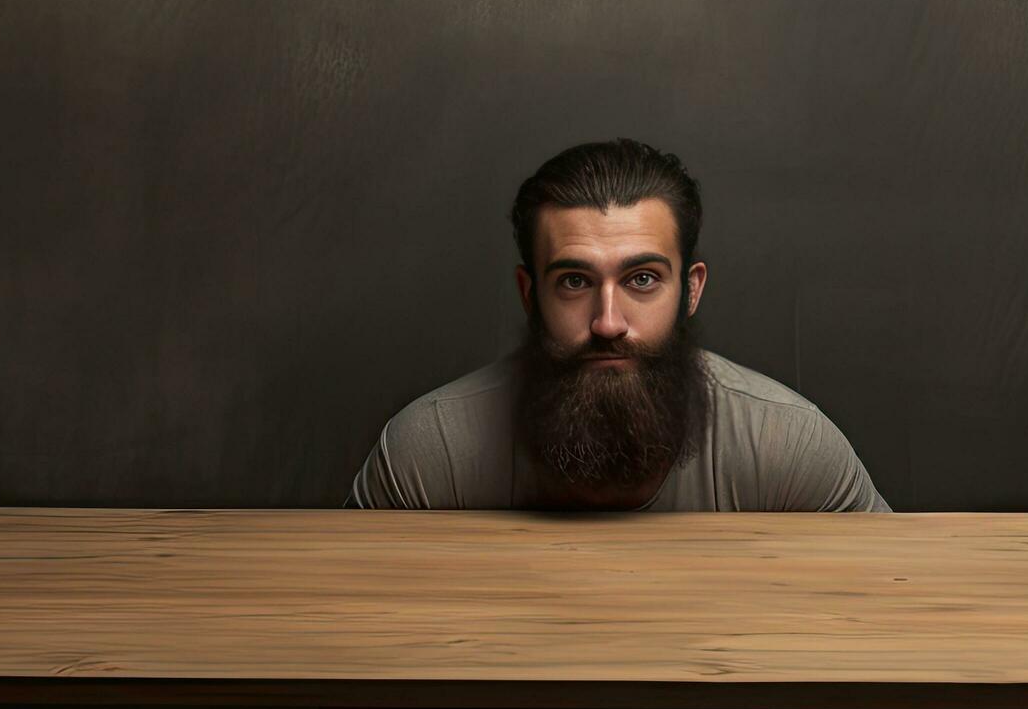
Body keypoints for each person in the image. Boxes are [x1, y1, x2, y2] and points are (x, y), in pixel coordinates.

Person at [344, 139, 892, 512]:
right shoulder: (430, 452)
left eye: (643, 280)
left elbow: (892, 626)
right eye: (575, 282)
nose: (608, 322)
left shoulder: (789, 447)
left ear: (692, 289)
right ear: (529, 295)